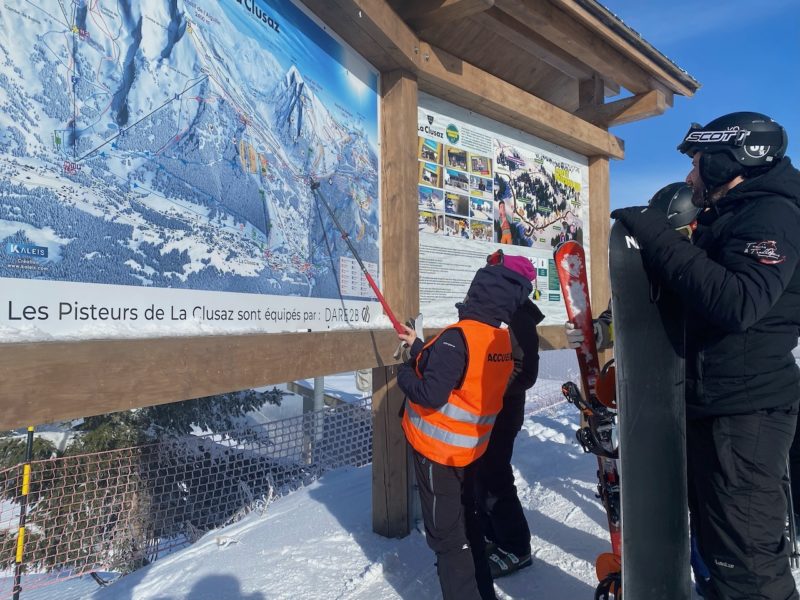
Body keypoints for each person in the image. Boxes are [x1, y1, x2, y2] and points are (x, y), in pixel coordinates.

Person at [611, 112, 800, 600]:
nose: (690, 176)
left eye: (698, 164)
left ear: (727, 161)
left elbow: (738, 302)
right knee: (717, 557)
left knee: (747, 567)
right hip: (717, 405)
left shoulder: (772, 214)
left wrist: (656, 236)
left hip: (745, 413)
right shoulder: (733, 216)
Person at [565, 181, 713, 594]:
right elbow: (625, 309)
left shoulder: (708, 258)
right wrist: (595, 331)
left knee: (704, 498)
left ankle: (705, 574)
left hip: (703, 392)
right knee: (659, 492)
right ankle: (661, 570)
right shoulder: (648, 259)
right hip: (655, 393)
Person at [397, 255, 536, 600]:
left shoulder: (456, 337)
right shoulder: (498, 340)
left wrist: (402, 372)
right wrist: (419, 346)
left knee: (448, 539)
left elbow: (434, 389)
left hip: (438, 453)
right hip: (469, 449)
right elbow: (461, 368)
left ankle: (497, 559)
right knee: (468, 524)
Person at [475, 251, 545, 578]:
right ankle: (493, 535)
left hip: (502, 414)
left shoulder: (519, 317)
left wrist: (491, 389)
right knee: (480, 474)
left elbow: (526, 372)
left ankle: (517, 547)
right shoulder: (499, 311)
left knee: (496, 476)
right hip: (484, 410)